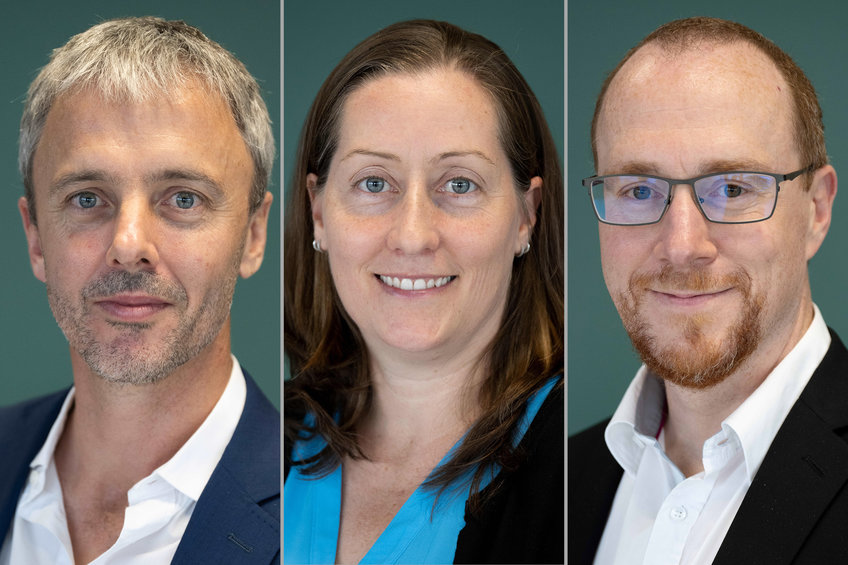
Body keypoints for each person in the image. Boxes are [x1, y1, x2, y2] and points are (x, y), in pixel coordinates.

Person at [284, 19, 564, 564]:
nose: (413, 235)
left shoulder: (579, 478)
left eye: (459, 184)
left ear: (526, 216)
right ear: (319, 212)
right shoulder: (255, 447)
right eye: (373, 183)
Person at [0, 17, 279, 564]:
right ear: (35, 237)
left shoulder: (313, 508)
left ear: (252, 234)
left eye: (183, 199)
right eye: (86, 198)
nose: (128, 245)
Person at [568, 16, 845, 565]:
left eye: (734, 187)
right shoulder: (556, 480)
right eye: (639, 189)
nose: (682, 245)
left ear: (816, 209)